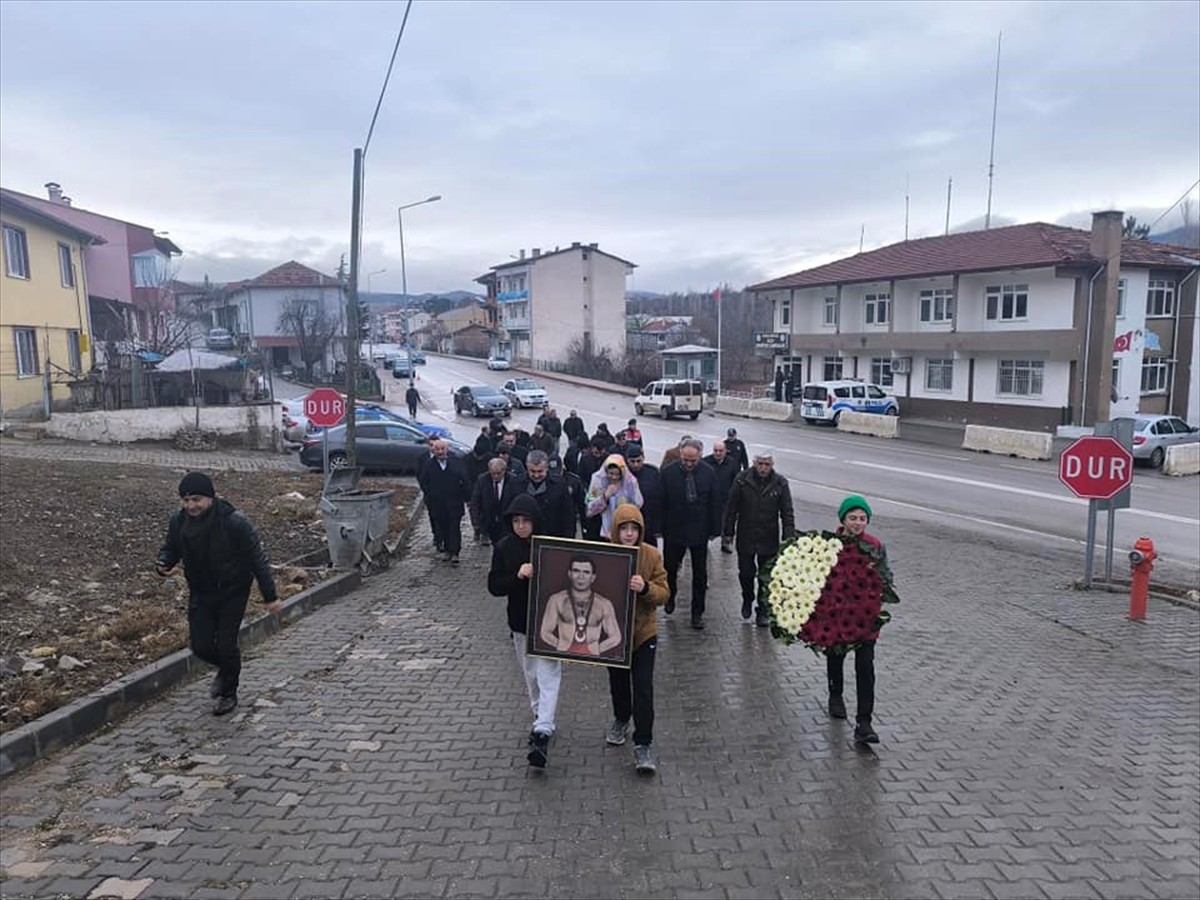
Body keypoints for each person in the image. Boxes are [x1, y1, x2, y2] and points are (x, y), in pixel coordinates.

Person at [155, 472, 281, 716]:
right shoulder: (179, 521)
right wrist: (163, 563)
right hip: (201, 591)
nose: (191, 505)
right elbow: (171, 548)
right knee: (200, 645)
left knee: (226, 643)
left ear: (211, 498)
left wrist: (270, 596)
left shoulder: (234, 522)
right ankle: (227, 669)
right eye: (186, 500)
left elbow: (258, 560)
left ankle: (228, 693)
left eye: (197, 499)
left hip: (233, 591)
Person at [487, 495, 561, 768]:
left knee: (549, 674)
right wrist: (517, 576)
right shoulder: (504, 547)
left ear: (534, 521)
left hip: (551, 623)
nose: (520, 526)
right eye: (516, 521)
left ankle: (543, 729)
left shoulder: (550, 546)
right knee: (531, 675)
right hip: (520, 622)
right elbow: (494, 586)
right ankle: (541, 716)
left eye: (525, 521)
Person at [605, 504, 670, 774]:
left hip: (644, 631)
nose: (629, 534)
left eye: (634, 529)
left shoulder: (652, 556)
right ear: (616, 530)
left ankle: (643, 742)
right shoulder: (606, 554)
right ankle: (621, 719)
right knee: (619, 684)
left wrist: (645, 588)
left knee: (643, 687)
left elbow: (664, 593)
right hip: (613, 633)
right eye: (624, 529)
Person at [826, 495, 891, 745]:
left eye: (862, 518)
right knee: (836, 656)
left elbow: (887, 578)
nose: (857, 523)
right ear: (843, 520)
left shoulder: (875, 545)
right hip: (838, 615)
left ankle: (864, 723)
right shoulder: (831, 544)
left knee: (866, 668)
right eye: (852, 518)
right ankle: (836, 694)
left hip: (866, 619)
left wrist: (877, 596)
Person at [723, 449, 795, 627]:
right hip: (746, 535)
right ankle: (747, 598)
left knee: (767, 576)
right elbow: (731, 508)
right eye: (760, 464)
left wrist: (789, 538)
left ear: (772, 466)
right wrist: (728, 532)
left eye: (767, 465)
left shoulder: (780, 483)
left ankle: (762, 609)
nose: (763, 468)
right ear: (755, 463)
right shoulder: (742, 480)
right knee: (746, 574)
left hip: (768, 537)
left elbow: (787, 512)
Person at [659, 438, 722, 628]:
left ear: (700, 456)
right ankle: (670, 597)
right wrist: (659, 528)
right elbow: (661, 502)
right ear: (680, 455)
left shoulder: (708, 473)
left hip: (699, 531)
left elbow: (715, 503)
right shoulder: (668, 473)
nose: (688, 464)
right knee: (670, 568)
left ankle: (697, 613)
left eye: (692, 461)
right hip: (674, 530)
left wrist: (714, 529)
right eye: (685, 459)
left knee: (700, 575)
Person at [539, 555, 623, 656]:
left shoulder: (604, 604)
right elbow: (545, 632)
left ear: (593, 577)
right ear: (569, 574)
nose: (581, 576)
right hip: (564, 650)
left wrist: (597, 650)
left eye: (586, 572)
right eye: (576, 571)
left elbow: (616, 636)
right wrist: (560, 647)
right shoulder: (556, 600)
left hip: (592, 653)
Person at [420, 439, 471, 564]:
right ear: (434, 450)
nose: (440, 452)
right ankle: (447, 550)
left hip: (454, 502)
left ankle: (455, 552)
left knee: (454, 527)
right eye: (437, 449)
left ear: (447, 449)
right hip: (438, 503)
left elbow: (465, 480)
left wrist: (466, 497)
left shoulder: (456, 462)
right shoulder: (429, 465)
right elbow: (424, 482)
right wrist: (431, 495)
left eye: (442, 449)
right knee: (443, 527)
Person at [585, 453, 644, 539]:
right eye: (611, 473)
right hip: (599, 528)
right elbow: (589, 509)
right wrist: (605, 497)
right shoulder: (598, 481)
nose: (614, 477)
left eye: (617, 474)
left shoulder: (630, 483)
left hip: (623, 530)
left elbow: (638, 504)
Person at [470, 458, 524, 546]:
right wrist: (476, 521)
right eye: (493, 474)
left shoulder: (513, 481)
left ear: (504, 471)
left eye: (498, 473)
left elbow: (518, 500)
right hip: (489, 519)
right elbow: (475, 501)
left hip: (507, 520)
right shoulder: (482, 480)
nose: (495, 476)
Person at [523, 450, 577, 538]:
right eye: (532, 471)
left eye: (540, 471)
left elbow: (569, 516)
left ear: (547, 468)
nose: (536, 475)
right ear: (527, 467)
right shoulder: (516, 485)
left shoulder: (560, 485)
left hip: (552, 537)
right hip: (524, 538)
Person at [704, 440, 741, 554]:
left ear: (725, 451)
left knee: (727, 522)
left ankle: (726, 543)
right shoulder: (706, 462)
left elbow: (737, 481)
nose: (718, 453)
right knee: (706, 521)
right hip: (709, 500)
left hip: (726, 499)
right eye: (716, 451)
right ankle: (703, 542)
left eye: (721, 451)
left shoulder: (732, 463)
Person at [623, 443, 662, 545]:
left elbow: (659, 501)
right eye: (632, 461)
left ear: (643, 458)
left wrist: (658, 527)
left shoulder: (653, 473)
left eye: (638, 461)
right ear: (627, 460)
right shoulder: (621, 475)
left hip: (648, 524)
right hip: (628, 524)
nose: (636, 465)